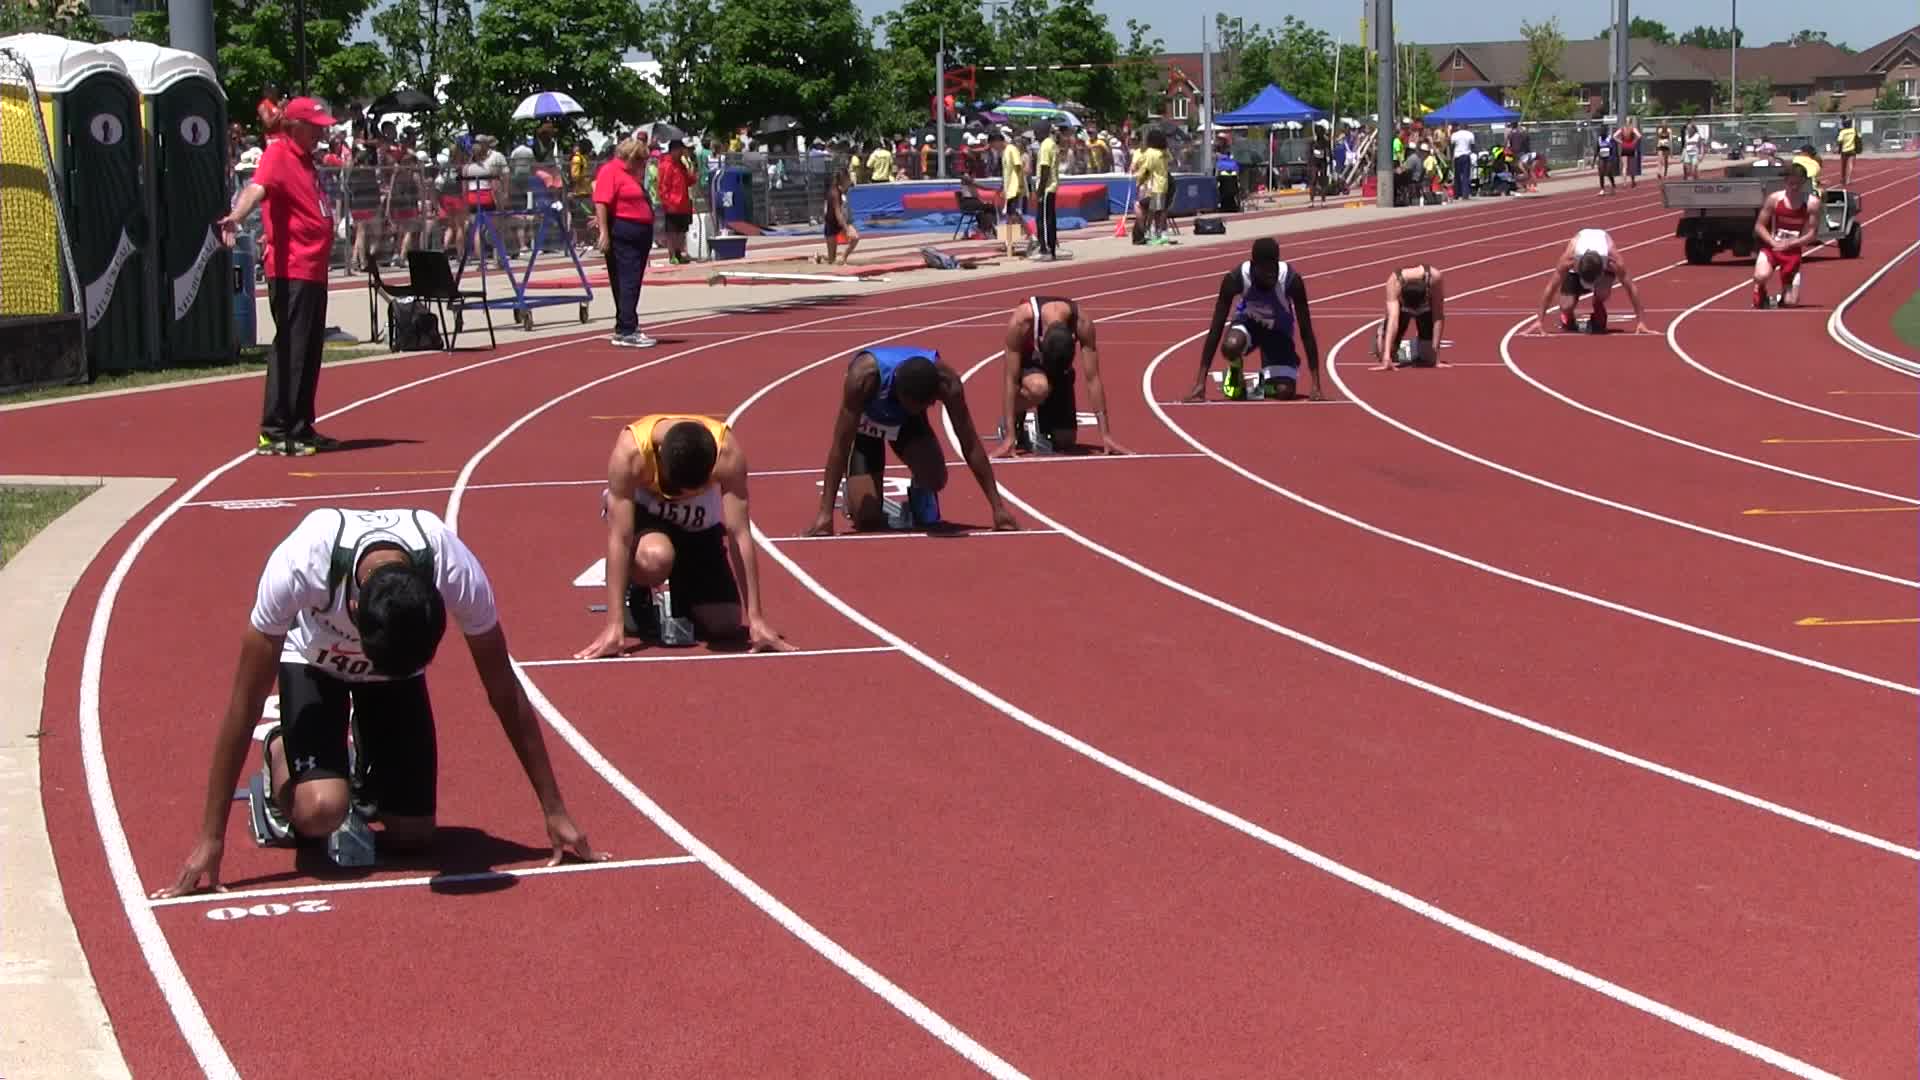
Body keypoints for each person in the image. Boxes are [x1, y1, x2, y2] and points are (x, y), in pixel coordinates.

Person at [149, 508, 606, 898]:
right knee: (319, 813)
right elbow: (243, 702)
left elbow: (505, 691)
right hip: (313, 663)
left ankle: (360, 769)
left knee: (414, 837)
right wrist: (210, 837)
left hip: (396, 678)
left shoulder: (452, 564)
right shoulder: (302, 562)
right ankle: (279, 756)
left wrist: (555, 812)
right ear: (353, 602)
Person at [576, 415, 791, 659]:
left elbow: (739, 533)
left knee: (725, 624)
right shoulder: (631, 452)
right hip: (647, 519)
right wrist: (612, 625)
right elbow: (620, 537)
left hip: (699, 526)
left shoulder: (728, 453)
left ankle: (682, 596)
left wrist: (756, 618)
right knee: (655, 558)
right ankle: (635, 589)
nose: (683, 496)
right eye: (677, 491)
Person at [215, 97, 341, 458]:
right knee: (292, 348)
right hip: (292, 270)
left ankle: (300, 425)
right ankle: (275, 430)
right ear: (296, 126)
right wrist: (236, 216)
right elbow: (257, 188)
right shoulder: (278, 154)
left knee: (310, 349)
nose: (321, 132)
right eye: (315, 126)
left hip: (313, 269)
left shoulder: (304, 161)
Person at [803, 348, 1018, 535]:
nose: (921, 408)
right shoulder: (863, 379)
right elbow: (840, 446)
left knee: (935, 478)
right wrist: (825, 513)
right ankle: (855, 495)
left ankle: (917, 496)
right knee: (867, 519)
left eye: (926, 406)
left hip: (907, 424)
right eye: (914, 405)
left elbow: (969, 442)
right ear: (899, 392)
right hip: (866, 426)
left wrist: (998, 508)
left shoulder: (947, 383)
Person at [1184, 237, 1324, 402]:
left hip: (1278, 333)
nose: (1271, 273)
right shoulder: (1236, 279)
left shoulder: (1291, 281)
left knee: (1284, 392)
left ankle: (1254, 387)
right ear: (1253, 266)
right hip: (1249, 325)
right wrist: (1200, 382)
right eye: (1265, 269)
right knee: (1231, 345)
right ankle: (1236, 370)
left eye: (1274, 267)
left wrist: (1316, 386)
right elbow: (1216, 327)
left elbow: (1306, 331)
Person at [990, 296, 1128, 456]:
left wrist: (1106, 435)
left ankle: (1042, 424)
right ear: (1040, 340)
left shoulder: (1082, 323)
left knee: (1065, 441)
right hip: (1030, 366)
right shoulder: (1022, 321)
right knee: (1039, 388)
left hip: (1061, 368)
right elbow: (1011, 379)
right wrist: (1010, 436)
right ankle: (1015, 420)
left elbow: (1093, 379)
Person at [593, 137, 656, 348]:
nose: (644, 166)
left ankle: (625, 324)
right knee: (627, 280)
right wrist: (603, 232)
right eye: (641, 161)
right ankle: (627, 329)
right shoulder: (610, 171)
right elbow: (602, 201)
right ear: (632, 158)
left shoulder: (629, 175)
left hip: (639, 233)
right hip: (625, 233)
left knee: (631, 281)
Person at [1534, 227, 1651, 335]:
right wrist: (1539, 320)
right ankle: (1567, 315)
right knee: (1566, 305)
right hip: (1580, 267)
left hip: (1601, 267)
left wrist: (1641, 321)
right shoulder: (1569, 259)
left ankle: (1598, 305)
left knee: (1602, 293)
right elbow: (1551, 287)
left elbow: (1630, 287)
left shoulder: (1613, 260)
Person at [1752, 163, 1816, 309]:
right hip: (1771, 248)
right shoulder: (1774, 199)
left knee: (1790, 303)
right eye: (1791, 183)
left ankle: (1780, 298)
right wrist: (1773, 243)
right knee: (1760, 276)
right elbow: (1759, 226)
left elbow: (1812, 234)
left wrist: (1792, 243)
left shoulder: (1811, 203)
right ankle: (1760, 289)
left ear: (1804, 181)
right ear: (1785, 181)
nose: (1794, 187)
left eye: (1798, 183)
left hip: (1792, 251)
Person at [1373, 264, 1448, 371]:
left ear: (1427, 294)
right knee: (1385, 353)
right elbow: (1393, 320)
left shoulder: (1434, 278)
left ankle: (1420, 345)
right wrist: (1386, 357)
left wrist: (1435, 355)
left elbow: (1438, 316)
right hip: (1402, 309)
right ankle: (1382, 334)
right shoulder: (1394, 282)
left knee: (1428, 359)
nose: (1414, 312)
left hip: (1426, 310)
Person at [1035, 125, 1062, 261]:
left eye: (1036, 131)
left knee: (1043, 220)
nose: (1035, 135)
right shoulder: (1052, 144)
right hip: (1052, 187)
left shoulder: (1045, 146)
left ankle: (1045, 249)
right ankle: (1050, 247)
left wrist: (1039, 190)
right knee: (1050, 219)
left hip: (1046, 188)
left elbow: (1045, 168)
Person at [821, 168, 858, 265]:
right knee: (831, 260)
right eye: (848, 178)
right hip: (832, 224)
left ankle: (843, 257)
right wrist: (846, 229)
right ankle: (820, 257)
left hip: (843, 220)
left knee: (855, 237)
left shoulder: (843, 188)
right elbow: (838, 214)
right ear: (843, 179)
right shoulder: (834, 193)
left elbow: (851, 184)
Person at [1449, 122, 1475, 200]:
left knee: (1457, 176)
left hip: (1457, 156)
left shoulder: (1455, 135)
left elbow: (1452, 146)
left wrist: (1451, 156)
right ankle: (1465, 194)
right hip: (1466, 155)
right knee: (1465, 176)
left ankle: (1457, 194)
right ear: (1467, 127)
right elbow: (1472, 145)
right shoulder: (1470, 134)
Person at [1594, 127, 1620, 195]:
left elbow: (1613, 149)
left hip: (1609, 158)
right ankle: (1602, 189)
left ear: (1605, 132)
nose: (1601, 134)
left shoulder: (1609, 139)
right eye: (1601, 132)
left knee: (1608, 172)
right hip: (1602, 158)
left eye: (1603, 132)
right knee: (1601, 173)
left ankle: (1613, 185)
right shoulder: (1599, 139)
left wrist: (1614, 158)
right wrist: (1594, 161)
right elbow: (1597, 150)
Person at [1837, 117, 1859, 186]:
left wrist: (1839, 150)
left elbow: (1840, 141)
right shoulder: (1853, 131)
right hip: (1852, 150)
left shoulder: (1842, 132)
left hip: (1844, 150)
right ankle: (1848, 179)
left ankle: (1843, 178)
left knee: (1843, 165)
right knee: (1850, 164)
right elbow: (1857, 138)